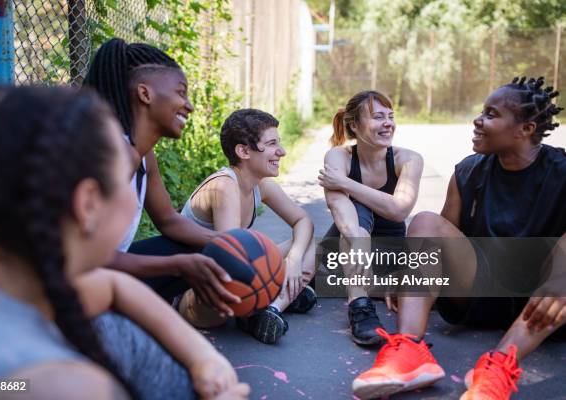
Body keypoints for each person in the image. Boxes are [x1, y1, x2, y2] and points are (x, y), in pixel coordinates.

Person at [0, 86, 249, 400]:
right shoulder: (60, 387)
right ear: (89, 204)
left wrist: (204, 358)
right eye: (127, 176)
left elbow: (112, 285)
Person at [352, 77, 566, 400]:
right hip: (481, 289)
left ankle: (498, 368)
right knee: (425, 222)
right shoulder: (468, 171)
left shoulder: (561, 171)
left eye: (491, 114)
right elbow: (437, 246)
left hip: (543, 301)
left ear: (526, 129)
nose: (478, 120)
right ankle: (409, 351)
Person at [83, 38, 240, 317]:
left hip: (105, 268)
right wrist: (177, 265)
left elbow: (168, 219)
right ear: (145, 94)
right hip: (73, 284)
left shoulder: (142, 154)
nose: (189, 106)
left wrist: (226, 243)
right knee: (191, 259)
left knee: (208, 249)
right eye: (181, 93)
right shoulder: (108, 156)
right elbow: (85, 258)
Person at [177, 109, 316, 344]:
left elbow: (303, 221)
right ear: (243, 151)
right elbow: (232, 260)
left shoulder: (261, 185)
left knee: (310, 243)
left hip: (232, 281)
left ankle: (272, 309)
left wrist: (293, 260)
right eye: (272, 144)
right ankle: (267, 304)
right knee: (247, 273)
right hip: (197, 293)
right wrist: (276, 272)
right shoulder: (224, 186)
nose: (281, 151)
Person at [319, 90, 423, 346]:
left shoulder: (408, 159)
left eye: (391, 116)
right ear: (355, 125)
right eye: (378, 117)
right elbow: (337, 204)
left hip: (387, 253)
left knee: (358, 200)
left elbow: (399, 210)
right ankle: (360, 304)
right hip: (349, 247)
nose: (388, 123)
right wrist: (357, 238)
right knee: (357, 212)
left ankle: (353, 287)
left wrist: (346, 183)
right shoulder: (338, 157)